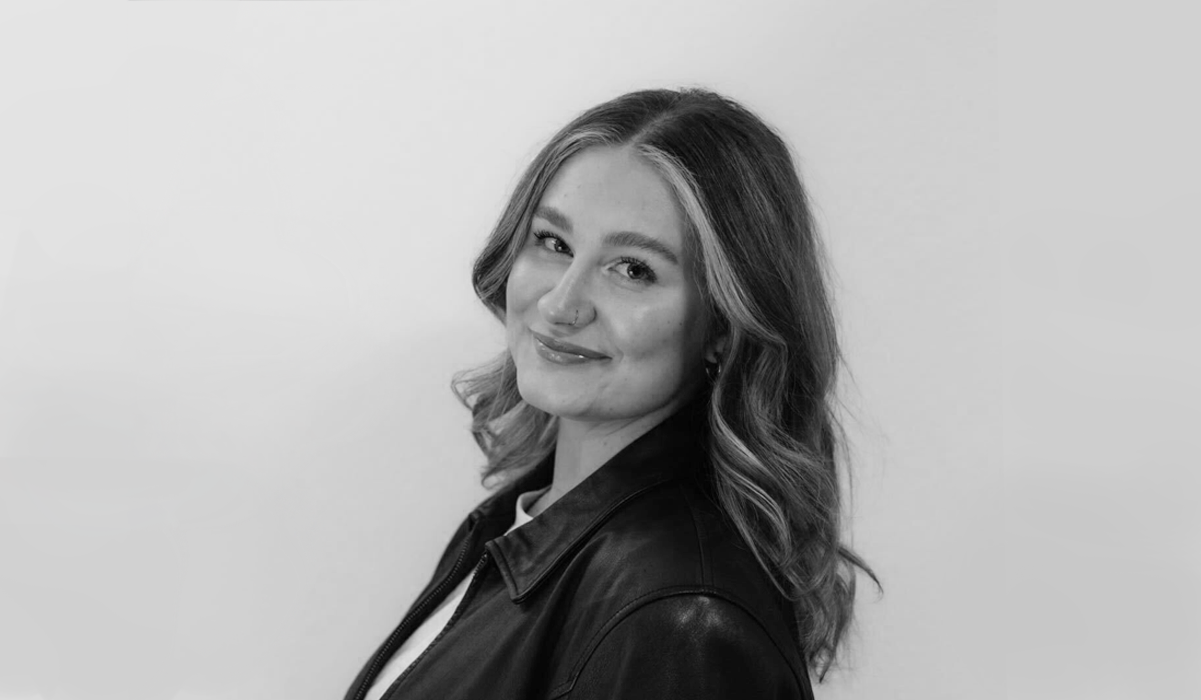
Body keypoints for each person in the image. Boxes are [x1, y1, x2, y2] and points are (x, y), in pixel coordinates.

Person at [343, 87, 880, 700]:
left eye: (633, 269)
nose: (561, 304)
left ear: (724, 326)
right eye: (554, 243)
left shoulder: (678, 621)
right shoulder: (521, 523)